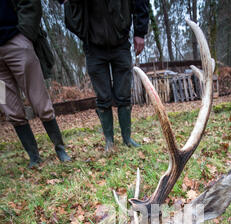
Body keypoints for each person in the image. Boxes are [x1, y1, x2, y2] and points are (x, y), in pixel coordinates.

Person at [61, 0, 149, 151]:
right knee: (103, 97)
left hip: (120, 42)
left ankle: (127, 139)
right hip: (93, 45)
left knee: (124, 94)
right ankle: (109, 141)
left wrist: (140, 31)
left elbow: (141, 2)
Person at [0, 0, 70, 168]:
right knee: (8, 106)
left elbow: (29, 3)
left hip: (15, 42)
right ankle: (34, 156)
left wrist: (25, 34)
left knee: (39, 99)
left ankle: (60, 148)